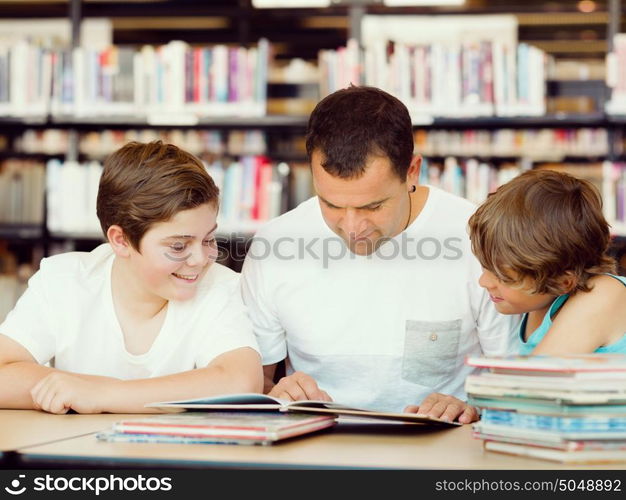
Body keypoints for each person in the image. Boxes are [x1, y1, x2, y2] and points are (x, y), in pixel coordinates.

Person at [241, 85, 518, 424]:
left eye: (373, 206)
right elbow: (257, 385)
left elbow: (514, 378)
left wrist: (474, 406)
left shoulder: (479, 238)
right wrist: (276, 395)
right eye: (331, 204)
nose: (353, 226)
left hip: (443, 449)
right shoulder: (274, 245)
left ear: (412, 172)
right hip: (316, 447)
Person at [0, 141, 263, 414]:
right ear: (121, 240)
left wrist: (100, 393)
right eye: (178, 246)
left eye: (208, 238)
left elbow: (242, 381)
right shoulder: (63, 281)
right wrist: (76, 389)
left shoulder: (219, 287)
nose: (201, 258)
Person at [468, 168, 626, 355]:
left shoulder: (603, 293)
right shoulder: (540, 299)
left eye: (504, 277)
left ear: (564, 282)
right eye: (485, 266)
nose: (483, 282)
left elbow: (535, 379)